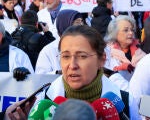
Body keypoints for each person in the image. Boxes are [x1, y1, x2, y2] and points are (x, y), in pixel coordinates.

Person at [5, 25, 141, 120]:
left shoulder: (126, 104)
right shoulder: (43, 102)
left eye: (82, 56)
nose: (72, 65)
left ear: (102, 60)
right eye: (65, 56)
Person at [35, 9, 83, 74]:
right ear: (65, 24)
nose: (81, 25)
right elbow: (40, 76)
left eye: (81, 22)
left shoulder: (87, 46)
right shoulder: (48, 50)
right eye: (77, 22)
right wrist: (58, 73)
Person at [104, 15, 146, 83]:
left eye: (132, 30)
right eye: (126, 30)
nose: (131, 33)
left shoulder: (141, 49)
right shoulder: (107, 53)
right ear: (115, 32)